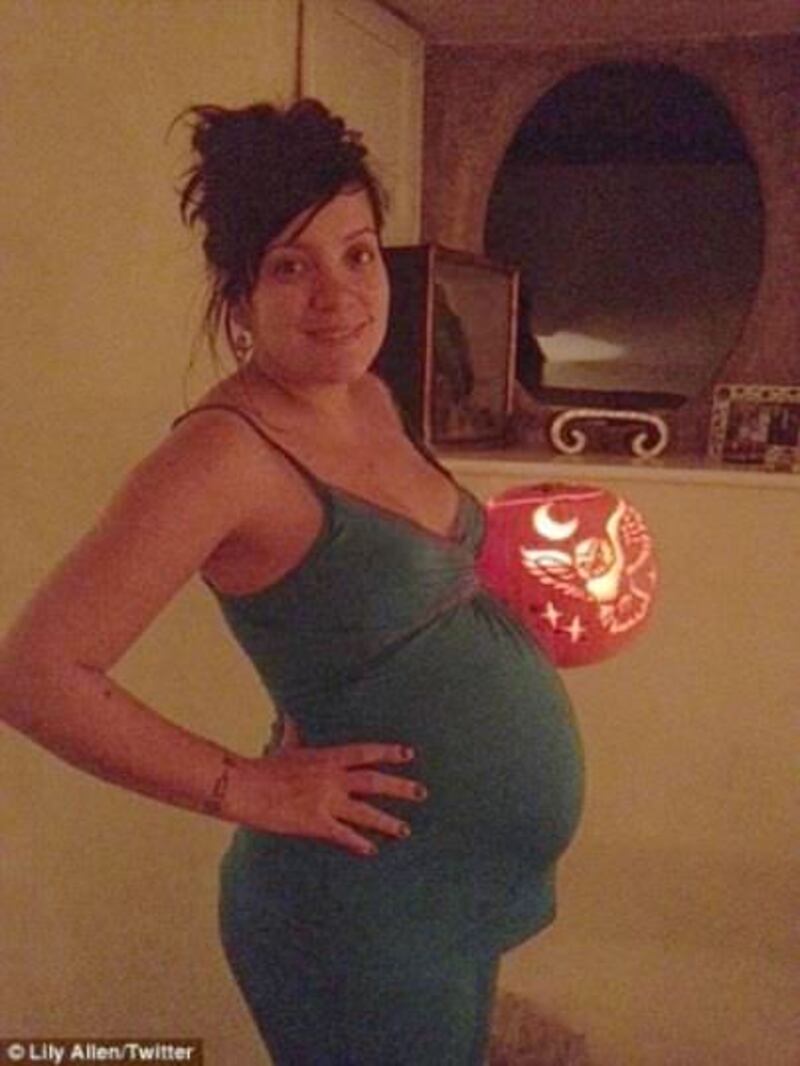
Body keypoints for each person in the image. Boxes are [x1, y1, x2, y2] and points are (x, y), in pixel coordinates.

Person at [0, 99, 584, 1065]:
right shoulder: (222, 456)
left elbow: (380, 591)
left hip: (454, 889)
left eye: (357, 255)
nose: (337, 296)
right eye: (290, 266)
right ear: (239, 299)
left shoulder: (371, 395)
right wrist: (247, 787)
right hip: (356, 910)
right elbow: (34, 675)